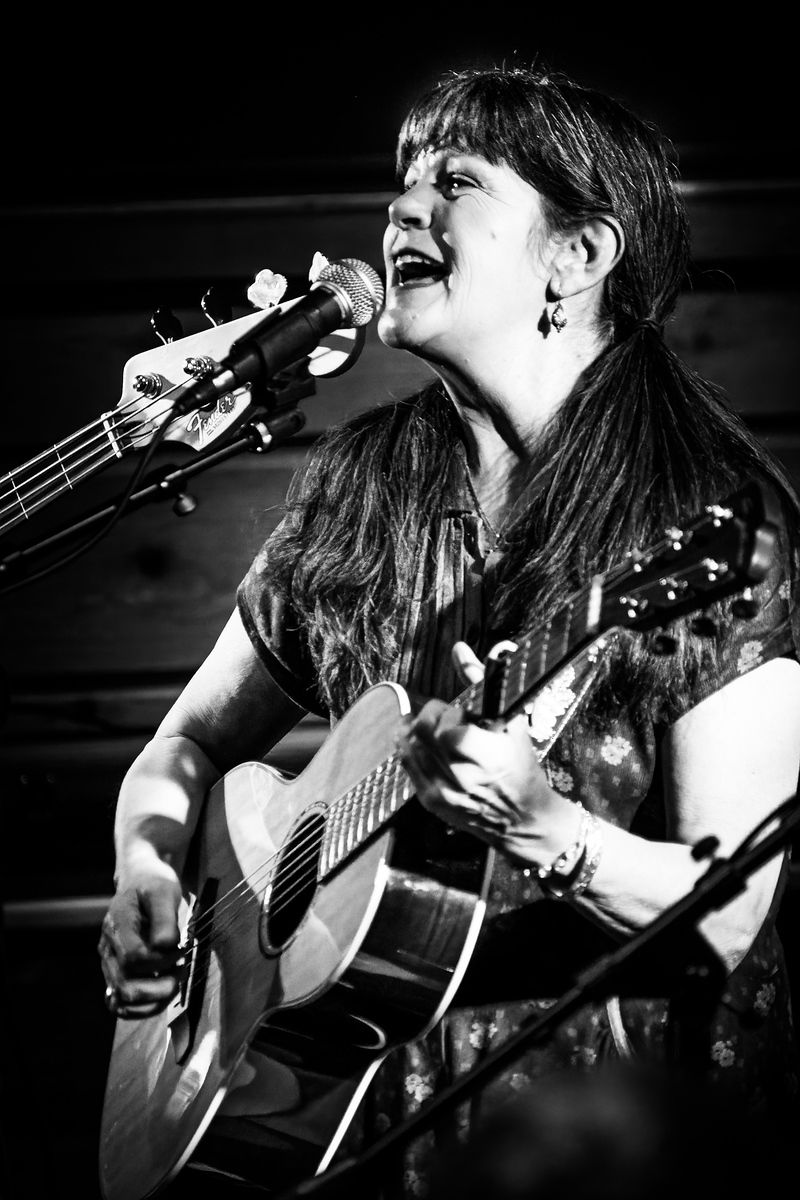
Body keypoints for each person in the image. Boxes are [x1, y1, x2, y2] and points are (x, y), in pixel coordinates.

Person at [97, 64, 800, 1199]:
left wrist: (549, 832)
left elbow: (727, 919)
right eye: (404, 180)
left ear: (577, 255)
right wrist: (145, 862)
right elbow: (184, 747)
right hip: (358, 1126)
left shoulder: (702, 516)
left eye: (457, 182)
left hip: (613, 1140)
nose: (402, 209)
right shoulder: (359, 489)